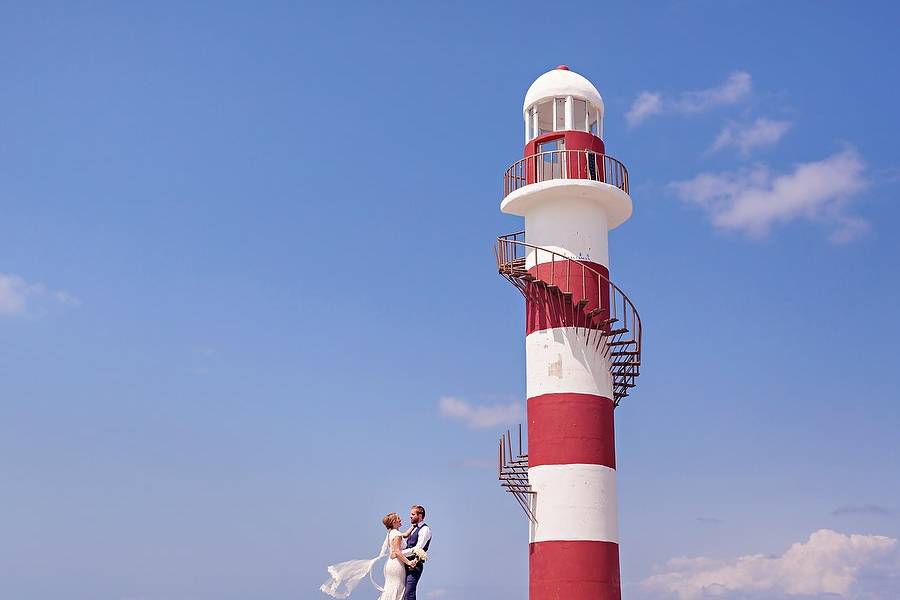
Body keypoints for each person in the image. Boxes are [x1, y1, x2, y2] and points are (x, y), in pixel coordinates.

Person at [319, 511, 419, 599]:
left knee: (391, 588)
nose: (400, 519)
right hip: (397, 565)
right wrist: (409, 562)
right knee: (397, 588)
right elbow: (397, 552)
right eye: (398, 518)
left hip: (391, 564)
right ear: (394, 522)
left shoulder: (392, 533)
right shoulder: (396, 535)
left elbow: (405, 535)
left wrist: (414, 525)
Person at [399, 505, 432, 600]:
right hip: (405, 563)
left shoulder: (425, 530)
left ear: (420, 516)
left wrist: (400, 553)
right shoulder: (413, 528)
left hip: (414, 566)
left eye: (413, 514)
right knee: (403, 593)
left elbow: (417, 548)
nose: (410, 516)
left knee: (409, 593)